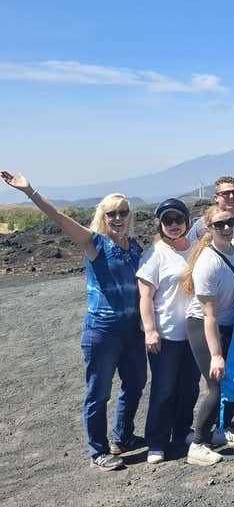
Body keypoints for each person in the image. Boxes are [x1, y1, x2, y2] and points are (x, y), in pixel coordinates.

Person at [2, 171, 146, 471]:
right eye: (111, 213)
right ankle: (98, 451)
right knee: (99, 391)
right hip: (102, 331)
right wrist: (30, 192)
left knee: (135, 383)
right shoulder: (93, 242)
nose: (117, 217)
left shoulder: (134, 247)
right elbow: (59, 219)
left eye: (123, 212)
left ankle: (122, 437)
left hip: (133, 329)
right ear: (102, 216)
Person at [181, 206, 234, 466]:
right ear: (208, 228)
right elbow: (209, 315)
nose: (226, 227)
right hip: (203, 325)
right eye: (219, 224)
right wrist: (216, 355)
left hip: (228, 324)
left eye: (229, 221)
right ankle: (198, 444)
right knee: (216, 384)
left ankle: (223, 429)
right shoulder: (207, 264)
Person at [136, 198, 200, 464]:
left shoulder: (196, 250)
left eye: (178, 219)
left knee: (189, 387)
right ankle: (157, 440)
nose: (174, 225)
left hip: (193, 334)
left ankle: (182, 430)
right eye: (168, 220)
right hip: (166, 335)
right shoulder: (154, 254)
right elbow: (145, 297)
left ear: (186, 221)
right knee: (164, 389)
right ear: (161, 224)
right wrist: (150, 331)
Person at [187, 176, 234, 241]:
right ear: (216, 198)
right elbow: (188, 247)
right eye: (226, 193)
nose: (231, 196)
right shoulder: (202, 224)